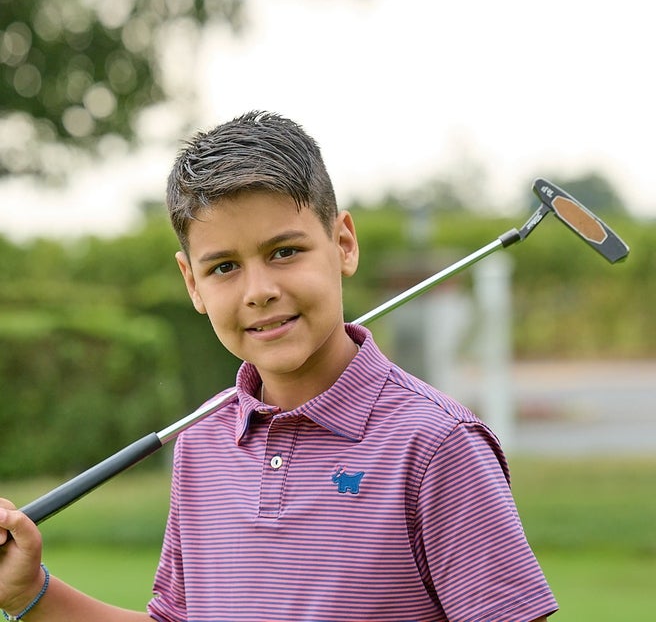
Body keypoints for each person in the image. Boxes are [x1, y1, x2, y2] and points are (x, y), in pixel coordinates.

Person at [0, 111, 558, 621]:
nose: (260, 291)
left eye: (285, 252)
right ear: (191, 282)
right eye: (223, 267)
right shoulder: (200, 442)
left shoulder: (436, 445)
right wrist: (30, 592)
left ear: (343, 242)